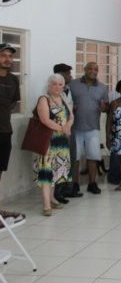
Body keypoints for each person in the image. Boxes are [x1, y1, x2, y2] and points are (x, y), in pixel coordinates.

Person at [34, 74, 74, 216]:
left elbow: (71, 116)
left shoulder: (63, 99)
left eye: (60, 84)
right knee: (46, 172)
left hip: (61, 142)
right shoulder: (44, 99)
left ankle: (51, 198)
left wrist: (68, 125)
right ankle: (46, 204)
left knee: (57, 171)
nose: (57, 87)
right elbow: (45, 120)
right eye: (54, 84)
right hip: (48, 141)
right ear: (49, 85)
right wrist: (62, 128)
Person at [69, 62, 109, 195]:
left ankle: (92, 183)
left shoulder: (103, 87)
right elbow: (65, 102)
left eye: (96, 69)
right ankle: (74, 184)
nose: (93, 71)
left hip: (93, 128)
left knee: (93, 156)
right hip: (75, 127)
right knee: (75, 157)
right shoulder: (73, 84)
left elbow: (106, 106)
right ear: (84, 69)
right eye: (90, 69)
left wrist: (104, 108)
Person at [0, 43, 25, 223]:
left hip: (4, 130)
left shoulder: (13, 80)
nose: (7, 59)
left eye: (10, 56)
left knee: (0, 171)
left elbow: (14, 102)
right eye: (3, 55)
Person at [52, 63, 78, 201]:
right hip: (59, 131)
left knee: (71, 158)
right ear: (60, 74)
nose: (71, 76)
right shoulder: (53, 91)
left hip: (70, 128)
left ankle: (68, 188)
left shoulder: (68, 89)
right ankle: (58, 192)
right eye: (68, 74)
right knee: (60, 161)